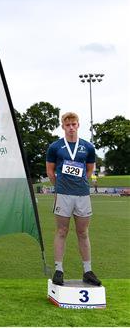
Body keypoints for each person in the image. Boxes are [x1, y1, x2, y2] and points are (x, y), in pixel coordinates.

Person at [46, 112, 101, 286]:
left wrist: (81, 183)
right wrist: (60, 187)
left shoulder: (88, 147)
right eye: (67, 124)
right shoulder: (55, 147)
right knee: (62, 231)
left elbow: (90, 170)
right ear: (63, 126)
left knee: (83, 233)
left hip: (82, 195)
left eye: (73, 124)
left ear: (78, 125)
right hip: (63, 195)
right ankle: (59, 270)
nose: (71, 127)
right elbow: (50, 171)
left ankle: (88, 271)